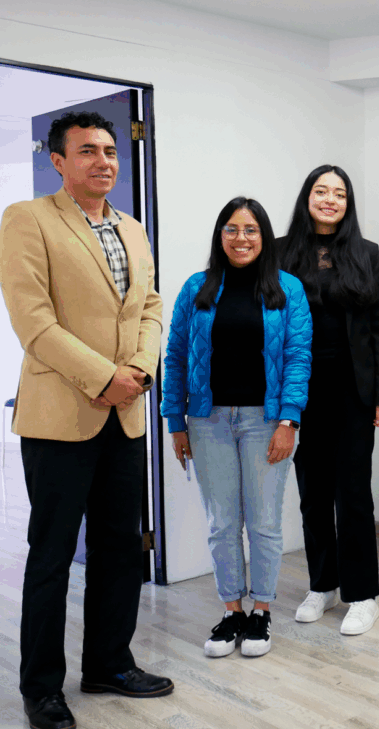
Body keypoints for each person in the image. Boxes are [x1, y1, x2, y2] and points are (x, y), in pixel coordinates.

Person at [0, 111, 171, 729]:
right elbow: (33, 321)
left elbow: (150, 307)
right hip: (60, 418)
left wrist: (140, 371)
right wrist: (103, 377)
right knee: (50, 556)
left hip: (125, 414)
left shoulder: (133, 228)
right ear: (59, 161)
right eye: (88, 151)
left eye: (110, 151)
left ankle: (108, 663)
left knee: (120, 547)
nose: (104, 161)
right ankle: (41, 688)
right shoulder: (28, 219)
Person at [162, 197, 311, 659]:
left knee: (264, 523)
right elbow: (176, 356)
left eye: (250, 230)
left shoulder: (287, 289)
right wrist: (175, 420)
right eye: (231, 229)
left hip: (266, 422)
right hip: (207, 422)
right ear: (219, 235)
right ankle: (232, 611)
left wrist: (289, 420)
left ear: (263, 236)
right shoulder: (196, 288)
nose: (240, 238)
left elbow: (298, 358)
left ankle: (261, 611)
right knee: (222, 523)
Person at [279, 165, 379, 635]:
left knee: (352, 494)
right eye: (321, 191)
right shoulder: (280, 252)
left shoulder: (366, 253)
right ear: (307, 197)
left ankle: (362, 595)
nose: (330, 199)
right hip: (300, 389)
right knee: (312, 493)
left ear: (348, 203)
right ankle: (322, 585)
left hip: (353, 389)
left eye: (339, 193)